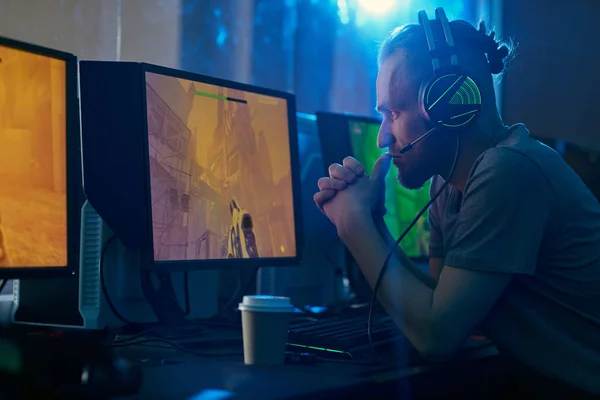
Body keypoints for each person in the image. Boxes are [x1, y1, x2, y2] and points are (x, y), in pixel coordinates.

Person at [314, 9, 600, 398]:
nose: (383, 138)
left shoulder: (507, 170)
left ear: (448, 105)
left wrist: (354, 226)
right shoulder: (447, 186)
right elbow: (437, 303)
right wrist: (373, 220)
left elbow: (436, 336)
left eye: (393, 113)